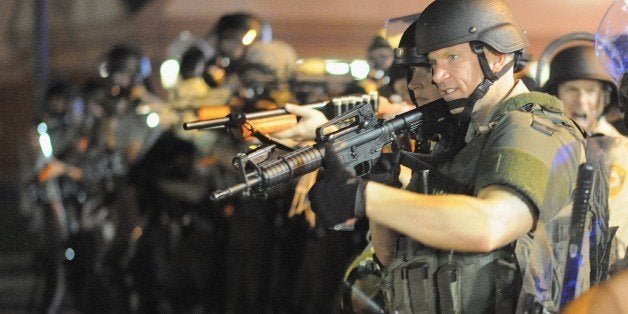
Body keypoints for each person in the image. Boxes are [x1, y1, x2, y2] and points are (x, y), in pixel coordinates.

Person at [305, 0, 586, 312]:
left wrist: (366, 197)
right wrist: (384, 197)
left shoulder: (534, 129)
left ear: (498, 56)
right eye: (433, 62)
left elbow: (490, 225)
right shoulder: (469, 136)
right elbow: (393, 260)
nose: (437, 76)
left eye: (452, 57)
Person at [544, 44, 622, 137]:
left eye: (591, 90)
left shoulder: (618, 146)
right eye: (572, 89)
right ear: (554, 95)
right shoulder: (539, 138)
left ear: (606, 99)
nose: (581, 100)